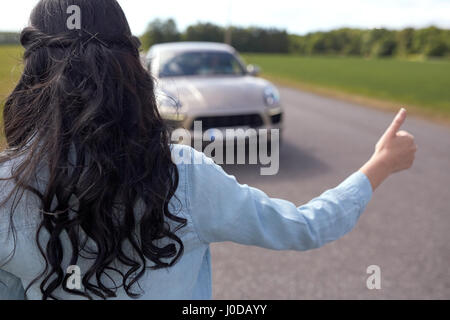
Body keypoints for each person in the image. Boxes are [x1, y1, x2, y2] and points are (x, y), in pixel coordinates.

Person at [0, 0, 416, 300]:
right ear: (132, 70)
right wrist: (380, 164)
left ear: (33, 70)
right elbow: (305, 226)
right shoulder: (185, 176)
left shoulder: (6, 188)